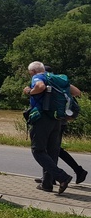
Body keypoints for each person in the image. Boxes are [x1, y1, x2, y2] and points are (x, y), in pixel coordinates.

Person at [23, 61, 74, 194]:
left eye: (30, 73)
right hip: (56, 119)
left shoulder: (38, 77)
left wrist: (30, 92)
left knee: (38, 150)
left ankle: (62, 177)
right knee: (52, 152)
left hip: (42, 118)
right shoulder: (55, 79)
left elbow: (40, 86)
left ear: (33, 71)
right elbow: (76, 91)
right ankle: (47, 184)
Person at [34, 66, 87, 185]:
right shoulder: (59, 81)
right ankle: (51, 177)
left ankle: (69, 173)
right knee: (54, 149)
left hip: (53, 120)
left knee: (52, 149)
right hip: (61, 119)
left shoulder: (46, 80)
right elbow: (77, 92)